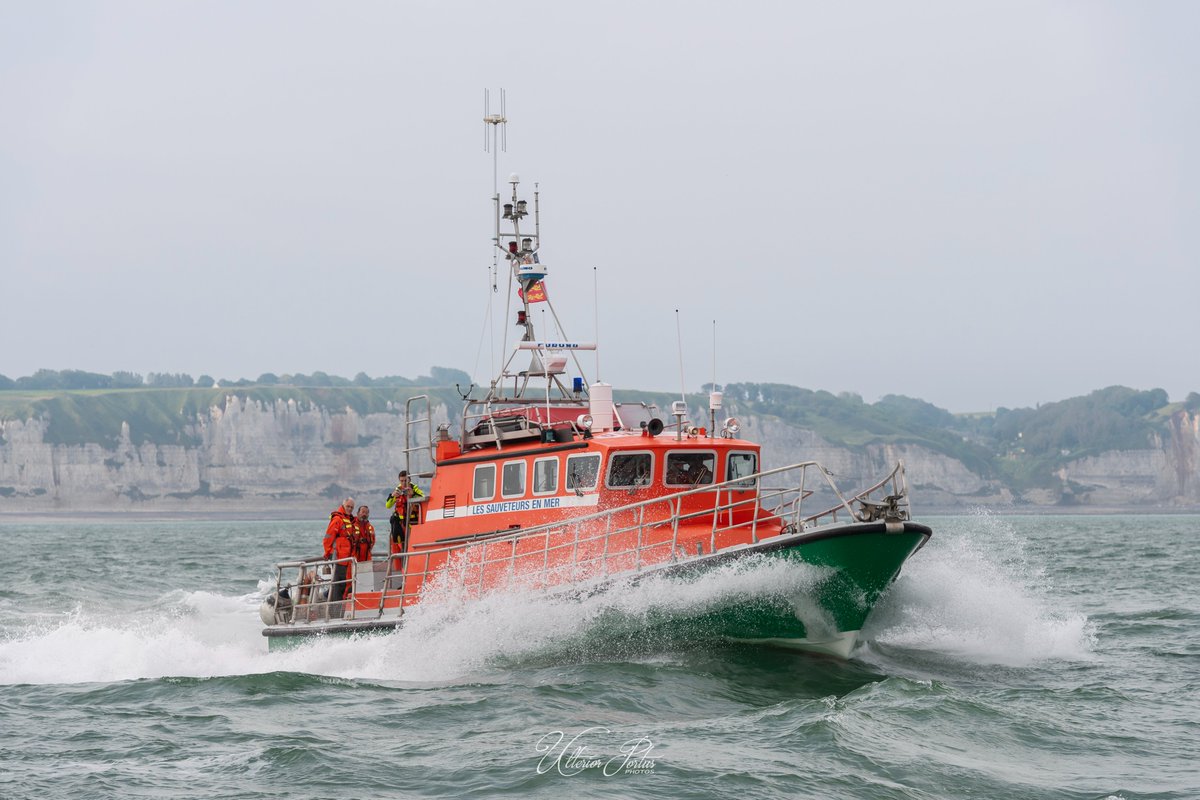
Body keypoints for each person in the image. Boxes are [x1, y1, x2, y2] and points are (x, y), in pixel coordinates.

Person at [323, 497, 356, 603]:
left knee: (345, 583)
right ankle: (335, 607)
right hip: (339, 558)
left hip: (347, 558)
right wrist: (327, 552)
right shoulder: (337, 519)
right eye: (348, 506)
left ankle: (338, 603)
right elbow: (328, 537)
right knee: (338, 584)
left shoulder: (349, 519)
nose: (350, 509)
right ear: (343, 505)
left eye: (352, 507)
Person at [385, 470, 424, 556]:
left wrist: (412, 495)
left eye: (405, 480)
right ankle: (404, 565)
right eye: (401, 481)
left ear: (409, 480)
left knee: (411, 547)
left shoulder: (415, 489)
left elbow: (423, 498)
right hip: (400, 525)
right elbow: (388, 505)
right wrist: (392, 496)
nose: (403, 483)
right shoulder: (397, 490)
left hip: (412, 523)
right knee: (402, 548)